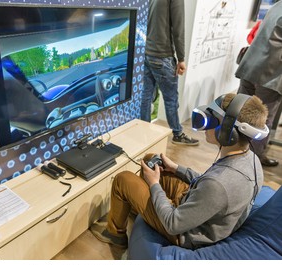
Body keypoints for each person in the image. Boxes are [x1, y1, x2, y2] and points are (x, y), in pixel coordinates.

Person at [90, 93, 268, 250]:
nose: (206, 121)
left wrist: (153, 185)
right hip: (197, 207)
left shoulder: (219, 185)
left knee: (123, 180)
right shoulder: (251, 160)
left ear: (228, 132)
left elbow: (173, 224)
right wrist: (176, 168)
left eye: (213, 118)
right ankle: (139, 208)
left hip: (184, 233)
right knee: (151, 159)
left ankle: (115, 234)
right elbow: (206, 183)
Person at [140, 0, 199, 146]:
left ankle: (143, 130)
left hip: (147, 53)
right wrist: (181, 58)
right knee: (171, 99)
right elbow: (179, 28)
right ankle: (177, 134)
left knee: (146, 96)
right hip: (162, 55)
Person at [235, 1, 282, 167]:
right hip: (271, 74)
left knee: (243, 113)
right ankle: (251, 163)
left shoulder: (277, 5)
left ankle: (234, 155)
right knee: (262, 119)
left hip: (251, 67)